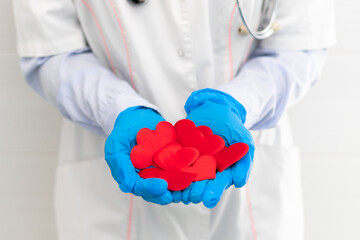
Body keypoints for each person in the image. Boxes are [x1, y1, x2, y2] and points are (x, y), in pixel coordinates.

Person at [13, 0, 335, 239]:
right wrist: (117, 109)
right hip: (112, 207)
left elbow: (299, 43)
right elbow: (51, 49)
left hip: (252, 203)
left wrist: (241, 103)